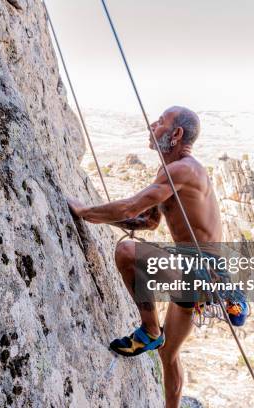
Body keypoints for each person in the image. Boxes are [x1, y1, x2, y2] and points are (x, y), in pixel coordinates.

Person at [67, 106, 222, 408]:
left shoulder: (181, 170)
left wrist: (86, 213)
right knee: (168, 354)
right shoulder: (176, 170)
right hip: (203, 274)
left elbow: (130, 209)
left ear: (176, 135)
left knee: (126, 252)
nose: (153, 125)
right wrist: (109, 218)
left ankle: (150, 330)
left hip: (198, 271)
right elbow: (149, 221)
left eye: (161, 122)